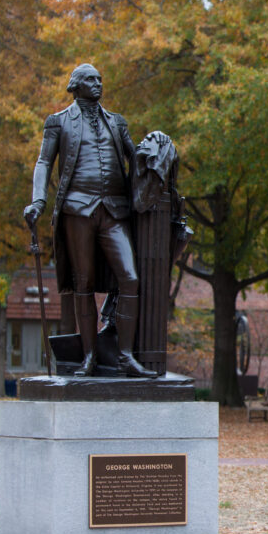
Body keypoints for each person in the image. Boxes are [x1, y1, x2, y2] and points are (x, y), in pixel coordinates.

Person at [23, 64, 158, 378]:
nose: (98, 84)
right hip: (77, 209)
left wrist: (156, 150)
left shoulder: (116, 121)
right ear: (76, 85)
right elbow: (43, 161)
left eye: (100, 79)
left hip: (114, 210)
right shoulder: (58, 122)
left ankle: (125, 358)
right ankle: (88, 358)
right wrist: (38, 201)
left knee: (130, 279)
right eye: (91, 80)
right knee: (82, 285)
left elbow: (135, 158)